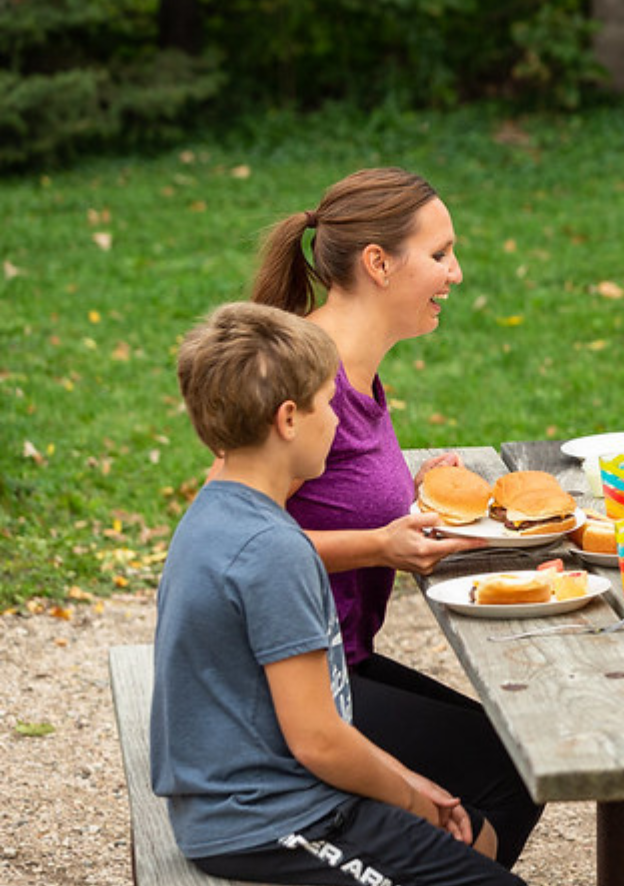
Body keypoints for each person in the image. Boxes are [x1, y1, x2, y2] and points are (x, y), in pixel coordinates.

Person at [153, 302, 524, 885]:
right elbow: (320, 741)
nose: (336, 419)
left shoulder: (218, 512)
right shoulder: (273, 550)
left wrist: (411, 783)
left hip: (265, 797)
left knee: (476, 831)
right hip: (269, 822)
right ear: (288, 420)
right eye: (328, 402)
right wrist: (412, 796)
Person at [250, 167, 539, 869]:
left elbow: (331, 488)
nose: (457, 273)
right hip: (279, 685)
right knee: (509, 769)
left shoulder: (355, 367)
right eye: (439, 255)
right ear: (378, 263)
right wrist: (380, 542)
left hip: (341, 658)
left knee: (517, 759)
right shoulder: (299, 376)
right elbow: (234, 541)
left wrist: (412, 491)